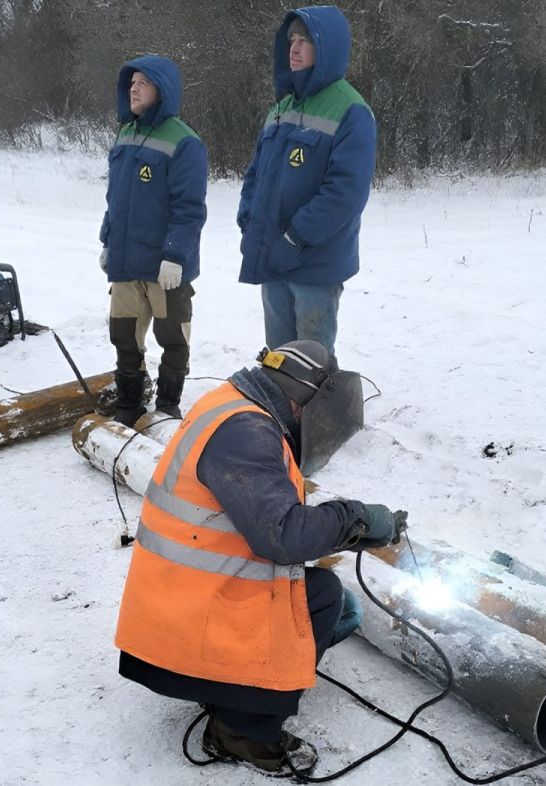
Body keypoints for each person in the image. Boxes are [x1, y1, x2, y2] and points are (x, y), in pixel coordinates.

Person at [115, 340, 402, 776]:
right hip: (185, 625)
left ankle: (227, 689)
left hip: (176, 607)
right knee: (321, 598)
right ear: (301, 400)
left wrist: (343, 528)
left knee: (332, 606)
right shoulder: (245, 433)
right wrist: (355, 519)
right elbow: (282, 535)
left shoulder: (232, 404)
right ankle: (241, 729)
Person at [237, 7, 376, 359]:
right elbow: (256, 174)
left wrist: (295, 237)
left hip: (315, 262)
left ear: (327, 48)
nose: (294, 49)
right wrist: (249, 223)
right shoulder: (280, 109)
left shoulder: (350, 111)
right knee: (279, 356)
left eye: (306, 41)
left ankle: (323, 416)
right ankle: (282, 414)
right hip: (272, 256)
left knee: (311, 359)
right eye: (292, 41)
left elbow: (345, 193)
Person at [100, 54, 208, 426]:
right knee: (124, 338)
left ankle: (167, 407)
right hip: (126, 264)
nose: (134, 87)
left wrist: (176, 256)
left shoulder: (184, 141)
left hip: (166, 267)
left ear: (162, 89)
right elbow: (115, 199)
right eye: (131, 82)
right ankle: (129, 406)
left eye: (143, 82)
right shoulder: (124, 134)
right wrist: (107, 241)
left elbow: (189, 208)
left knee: (173, 338)